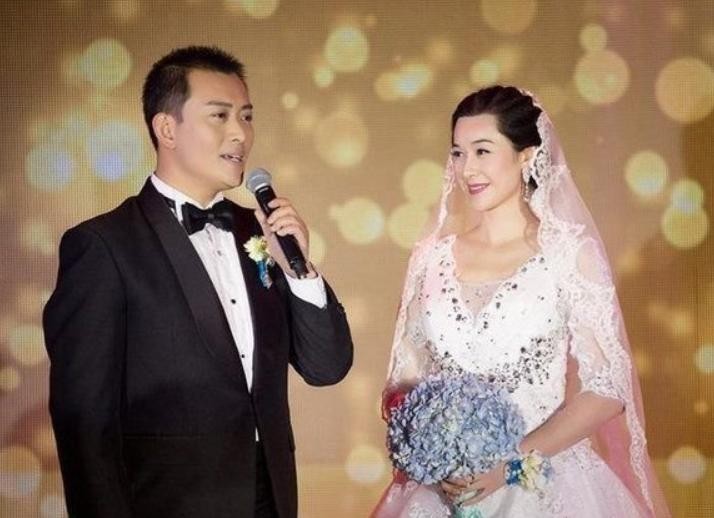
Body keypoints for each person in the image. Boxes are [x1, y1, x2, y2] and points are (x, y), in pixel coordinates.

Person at [43, 46, 353, 518]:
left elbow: (326, 367)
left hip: (270, 499)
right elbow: (84, 425)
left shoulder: (259, 232)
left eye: (246, 116)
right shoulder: (104, 246)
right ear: (167, 128)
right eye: (220, 116)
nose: (240, 133)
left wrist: (299, 270)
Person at [372, 86, 670, 517]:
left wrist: (511, 462)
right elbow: (404, 381)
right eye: (458, 153)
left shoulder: (569, 254)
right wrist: (432, 450)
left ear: (526, 156)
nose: (467, 169)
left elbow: (607, 387)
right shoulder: (431, 258)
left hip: (543, 479)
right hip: (444, 488)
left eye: (482, 151)